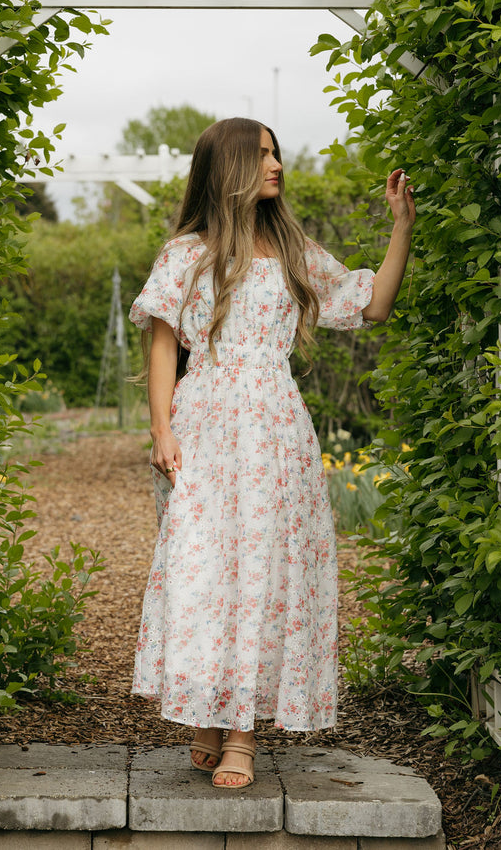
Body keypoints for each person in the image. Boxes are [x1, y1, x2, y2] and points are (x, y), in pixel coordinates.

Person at [128, 117, 415, 789]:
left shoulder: (292, 250)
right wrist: (162, 429)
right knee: (204, 569)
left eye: (276, 152)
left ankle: (241, 737)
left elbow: (371, 304)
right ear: (227, 166)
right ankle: (203, 710)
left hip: (275, 429)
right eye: (261, 155)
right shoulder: (186, 253)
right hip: (206, 421)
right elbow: (164, 341)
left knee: (262, 573)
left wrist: (401, 227)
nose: (276, 163)